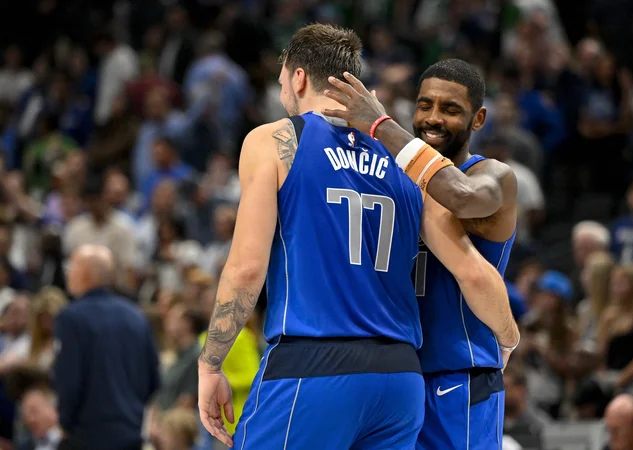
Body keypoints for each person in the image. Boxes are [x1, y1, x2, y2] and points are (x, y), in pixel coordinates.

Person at [197, 25, 517, 450]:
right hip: (401, 380)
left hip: (314, 362)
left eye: (281, 84)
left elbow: (246, 269)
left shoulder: (275, 139)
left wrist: (210, 364)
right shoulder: (409, 163)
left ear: (298, 78)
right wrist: (509, 336)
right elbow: (472, 271)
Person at [54, 244, 160, 450]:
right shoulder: (136, 316)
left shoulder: (71, 317)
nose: (68, 272)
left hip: (87, 436)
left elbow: (69, 382)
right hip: (131, 435)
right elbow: (153, 380)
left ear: (86, 274)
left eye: (72, 266)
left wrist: (65, 423)